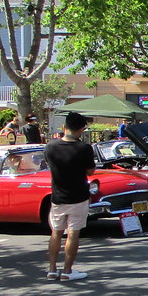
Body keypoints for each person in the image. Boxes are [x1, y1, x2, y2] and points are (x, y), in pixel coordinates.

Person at [44, 112, 96, 281]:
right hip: (78, 196)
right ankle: (67, 270)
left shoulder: (50, 147)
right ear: (81, 129)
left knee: (56, 233)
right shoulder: (84, 148)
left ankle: (52, 269)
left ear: (64, 127)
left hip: (58, 196)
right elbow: (90, 171)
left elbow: (48, 164)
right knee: (73, 233)